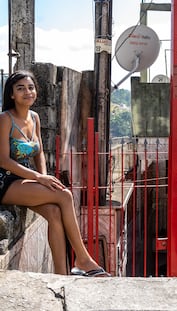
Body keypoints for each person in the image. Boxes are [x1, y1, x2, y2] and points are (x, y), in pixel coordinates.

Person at [0, 70, 110, 277]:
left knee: (54, 212)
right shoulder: (5, 119)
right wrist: (40, 178)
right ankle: (84, 259)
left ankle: (62, 275)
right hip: (5, 180)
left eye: (30, 87)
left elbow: (39, 152)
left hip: (25, 178)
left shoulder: (34, 117)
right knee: (65, 194)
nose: (27, 92)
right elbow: (3, 160)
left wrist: (44, 178)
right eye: (20, 88)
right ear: (11, 94)